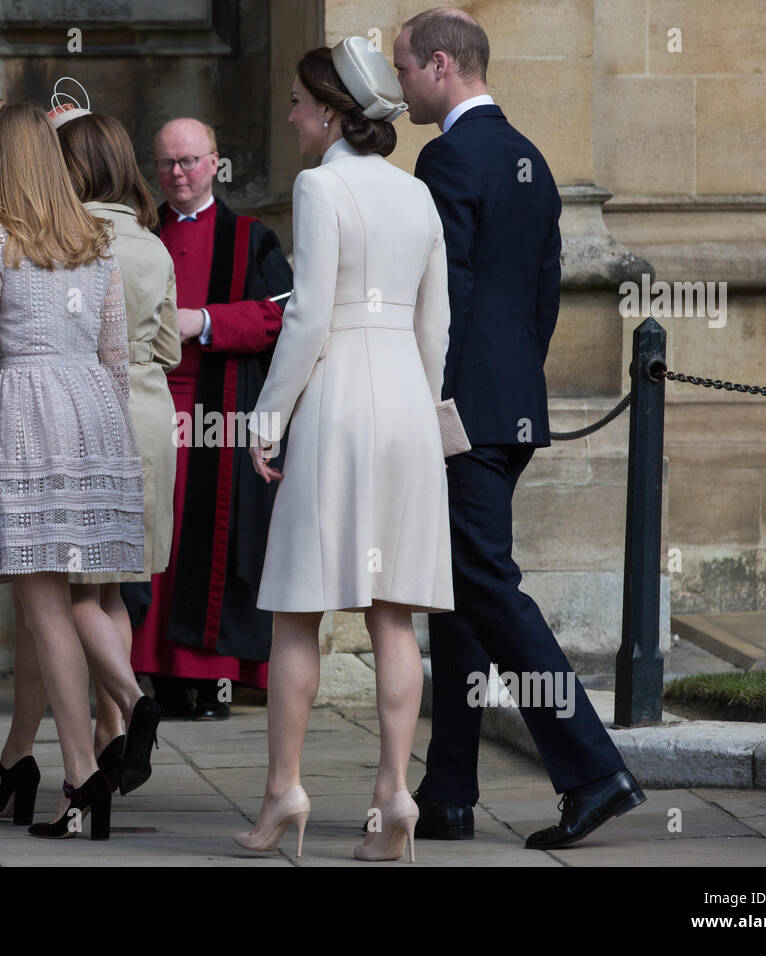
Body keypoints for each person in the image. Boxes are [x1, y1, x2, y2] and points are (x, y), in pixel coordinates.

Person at [395, 8, 645, 849]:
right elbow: (543, 299)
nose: (400, 88)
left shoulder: (446, 156)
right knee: (460, 594)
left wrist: (437, 406)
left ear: (440, 66)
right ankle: (450, 794)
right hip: (512, 406)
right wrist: (507, 393)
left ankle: (592, 768)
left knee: (485, 587)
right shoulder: (530, 157)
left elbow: (445, 302)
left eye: (404, 71)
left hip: (461, 410)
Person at [235, 38, 451, 863]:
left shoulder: (319, 186)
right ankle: (395, 793)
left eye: (297, 101)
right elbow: (437, 325)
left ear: (329, 112)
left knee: (298, 609)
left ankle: (283, 789)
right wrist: (422, 410)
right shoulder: (417, 194)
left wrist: (267, 416)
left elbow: (309, 313)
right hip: (404, 402)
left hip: (338, 406)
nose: (290, 115)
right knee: (392, 609)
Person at [0, 101, 159, 840]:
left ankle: (84, 770)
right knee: (83, 596)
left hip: (27, 414)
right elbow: (117, 360)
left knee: (44, 608)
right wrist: (110, 445)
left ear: (2, 164)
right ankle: (114, 720)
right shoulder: (96, 242)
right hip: (94, 414)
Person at [130, 116, 293, 720]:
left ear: (215, 163)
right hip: (150, 405)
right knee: (159, 543)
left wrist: (206, 322)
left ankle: (210, 680)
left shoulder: (251, 238)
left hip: (219, 408)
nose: (178, 173)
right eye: (167, 163)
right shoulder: (139, 232)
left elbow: (281, 317)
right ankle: (158, 677)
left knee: (211, 539)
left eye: (190, 161)